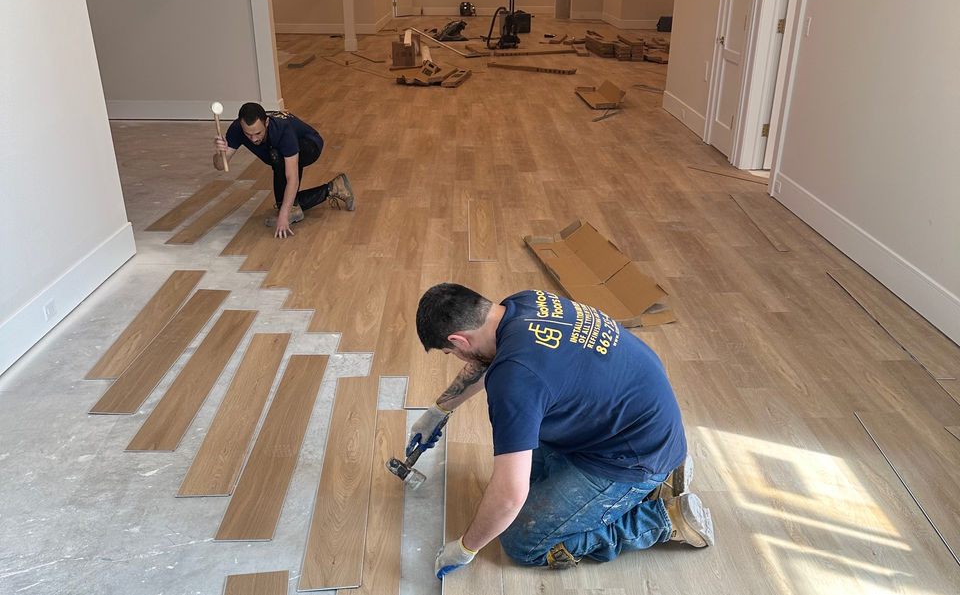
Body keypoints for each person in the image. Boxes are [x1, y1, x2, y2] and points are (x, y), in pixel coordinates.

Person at [410, 283, 713, 580]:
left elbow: (509, 496)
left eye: (452, 352)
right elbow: (486, 360)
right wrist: (440, 410)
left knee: (520, 539)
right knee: (526, 476)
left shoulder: (514, 382)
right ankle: (655, 484)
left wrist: (465, 548)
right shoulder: (525, 305)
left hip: (632, 454)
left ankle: (660, 519)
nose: (458, 358)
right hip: (638, 422)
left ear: (459, 340)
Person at [213, 102, 354, 238]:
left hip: (309, 145)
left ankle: (293, 209)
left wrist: (283, 216)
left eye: (257, 133)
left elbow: (292, 178)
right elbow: (220, 166)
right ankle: (334, 187)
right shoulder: (237, 129)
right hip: (279, 152)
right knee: (279, 170)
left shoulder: (282, 130)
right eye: (248, 134)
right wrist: (221, 152)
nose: (254, 139)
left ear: (266, 123)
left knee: (277, 157)